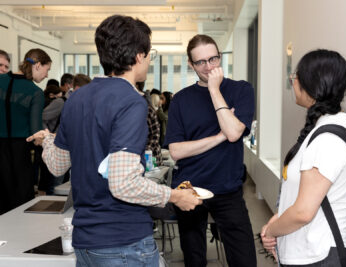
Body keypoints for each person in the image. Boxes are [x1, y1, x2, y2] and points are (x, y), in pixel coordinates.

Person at [27, 15, 201, 267]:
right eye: (149, 53)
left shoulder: (76, 98)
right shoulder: (130, 101)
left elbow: (56, 165)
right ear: (139, 56)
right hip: (123, 242)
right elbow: (123, 183)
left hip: (85, 243)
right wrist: (174, 196)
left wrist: (47, 140)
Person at [260, 49, 346, 266]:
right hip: (308, 251)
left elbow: (303, 212)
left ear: (312, 85)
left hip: (318, 255)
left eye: (296, 76)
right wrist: (277, 223)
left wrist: (271, 231)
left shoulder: (328, 139)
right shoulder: (324, 129)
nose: (292, 81)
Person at [164, 34, 257, 267]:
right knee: (194, 259)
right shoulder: (180, 100)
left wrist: (214, 90)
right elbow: (176, 151)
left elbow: (235, 133)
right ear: (190, 64)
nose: (209, 67)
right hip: (189, 189)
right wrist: (218, 137)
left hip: (228, 186)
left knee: (244, 258)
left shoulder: (241, 89)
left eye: (213, 59)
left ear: (220, 57)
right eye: (201, 62)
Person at [0, 48, 51, 214]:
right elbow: (36, 132)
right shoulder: (35, 92)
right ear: (37, 65)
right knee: (21, 206)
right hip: (20, 154)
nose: (47, 75)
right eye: (47, 69)